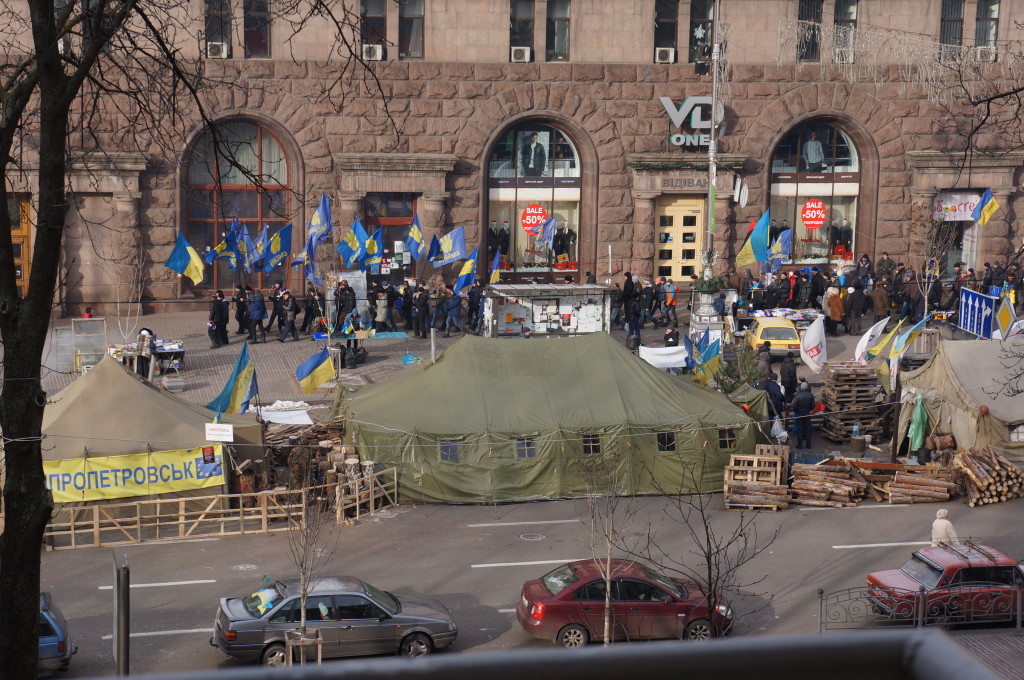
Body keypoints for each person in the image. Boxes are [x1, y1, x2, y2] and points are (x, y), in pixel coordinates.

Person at [792, 382, 815, 449]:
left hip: (799, 414)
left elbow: (795, 406)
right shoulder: (811, 395)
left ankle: (800, 445)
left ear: (801, 388)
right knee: (807, 429)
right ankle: (808, 445)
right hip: (807, 414)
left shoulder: (798, 395)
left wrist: (796, 412)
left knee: (800, 429)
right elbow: (813, 406)